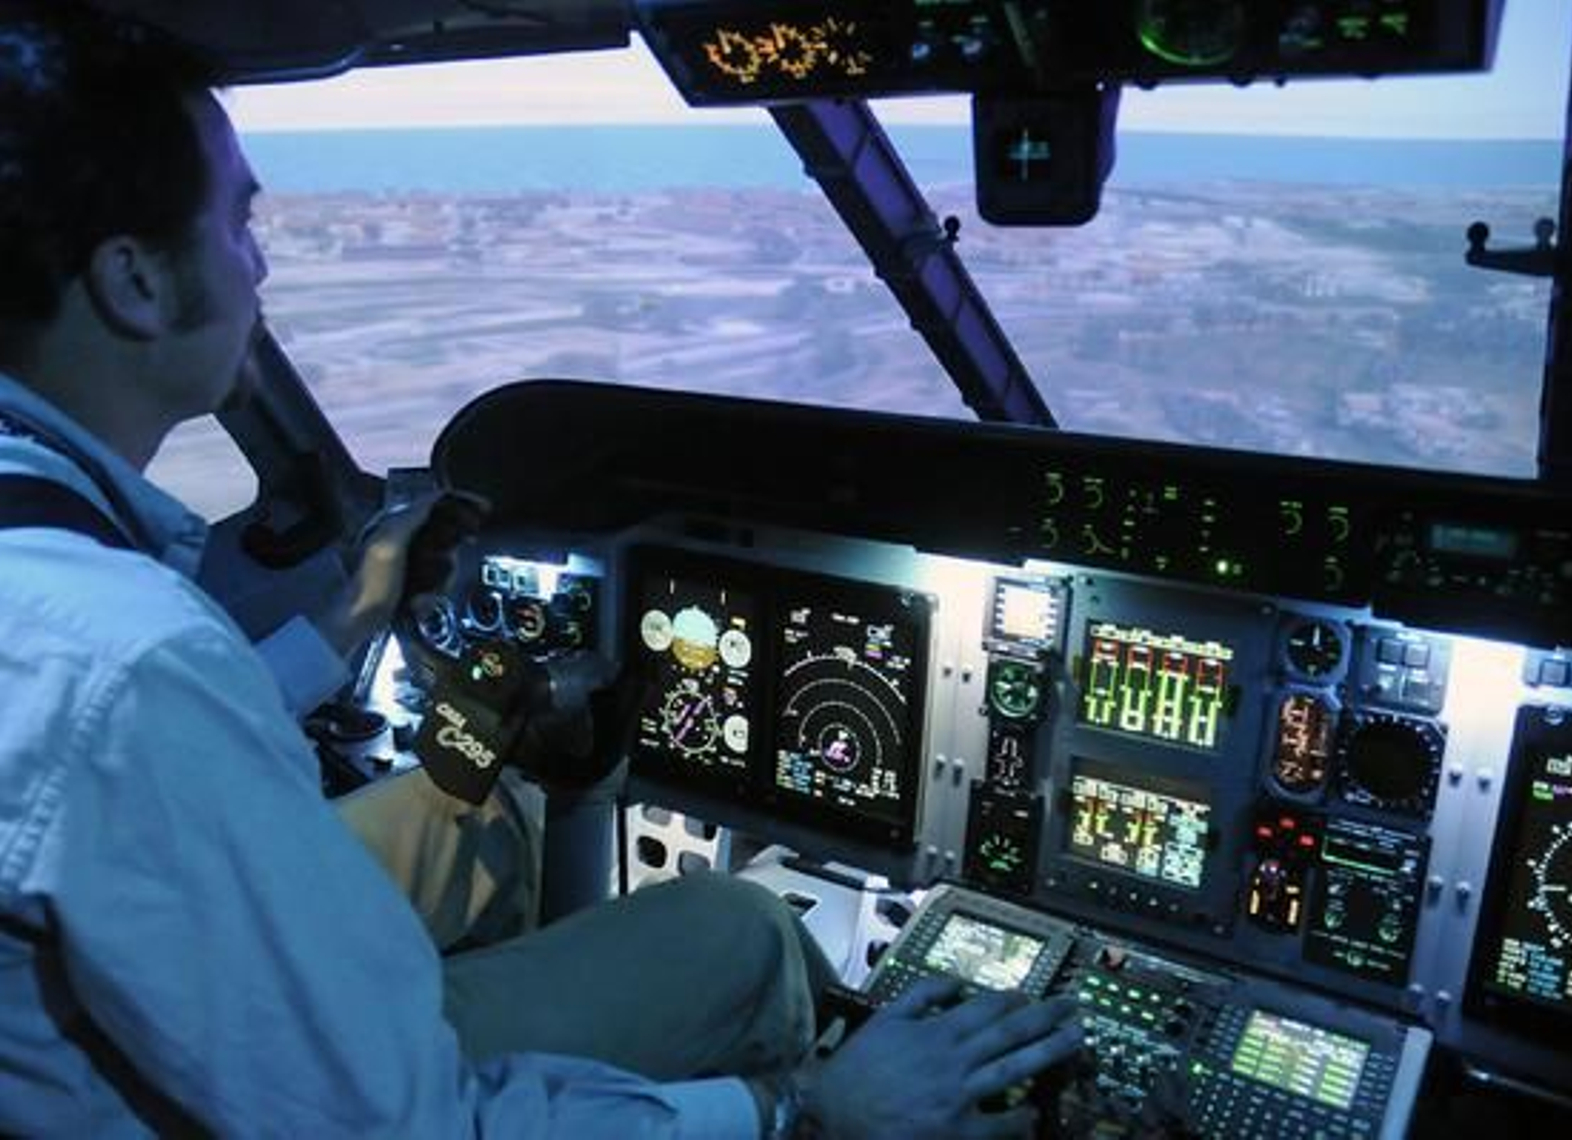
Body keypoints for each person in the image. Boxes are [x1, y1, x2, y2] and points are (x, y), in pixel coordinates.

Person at [0, 2, 1085, 1135]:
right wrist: (801, 1110)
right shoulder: (120, 659)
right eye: (236, 225)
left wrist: (339, 628)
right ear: (136, 283)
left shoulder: (69, 609)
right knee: (737, 929)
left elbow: (90, 760)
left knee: (483, 798)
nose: (259, 261)